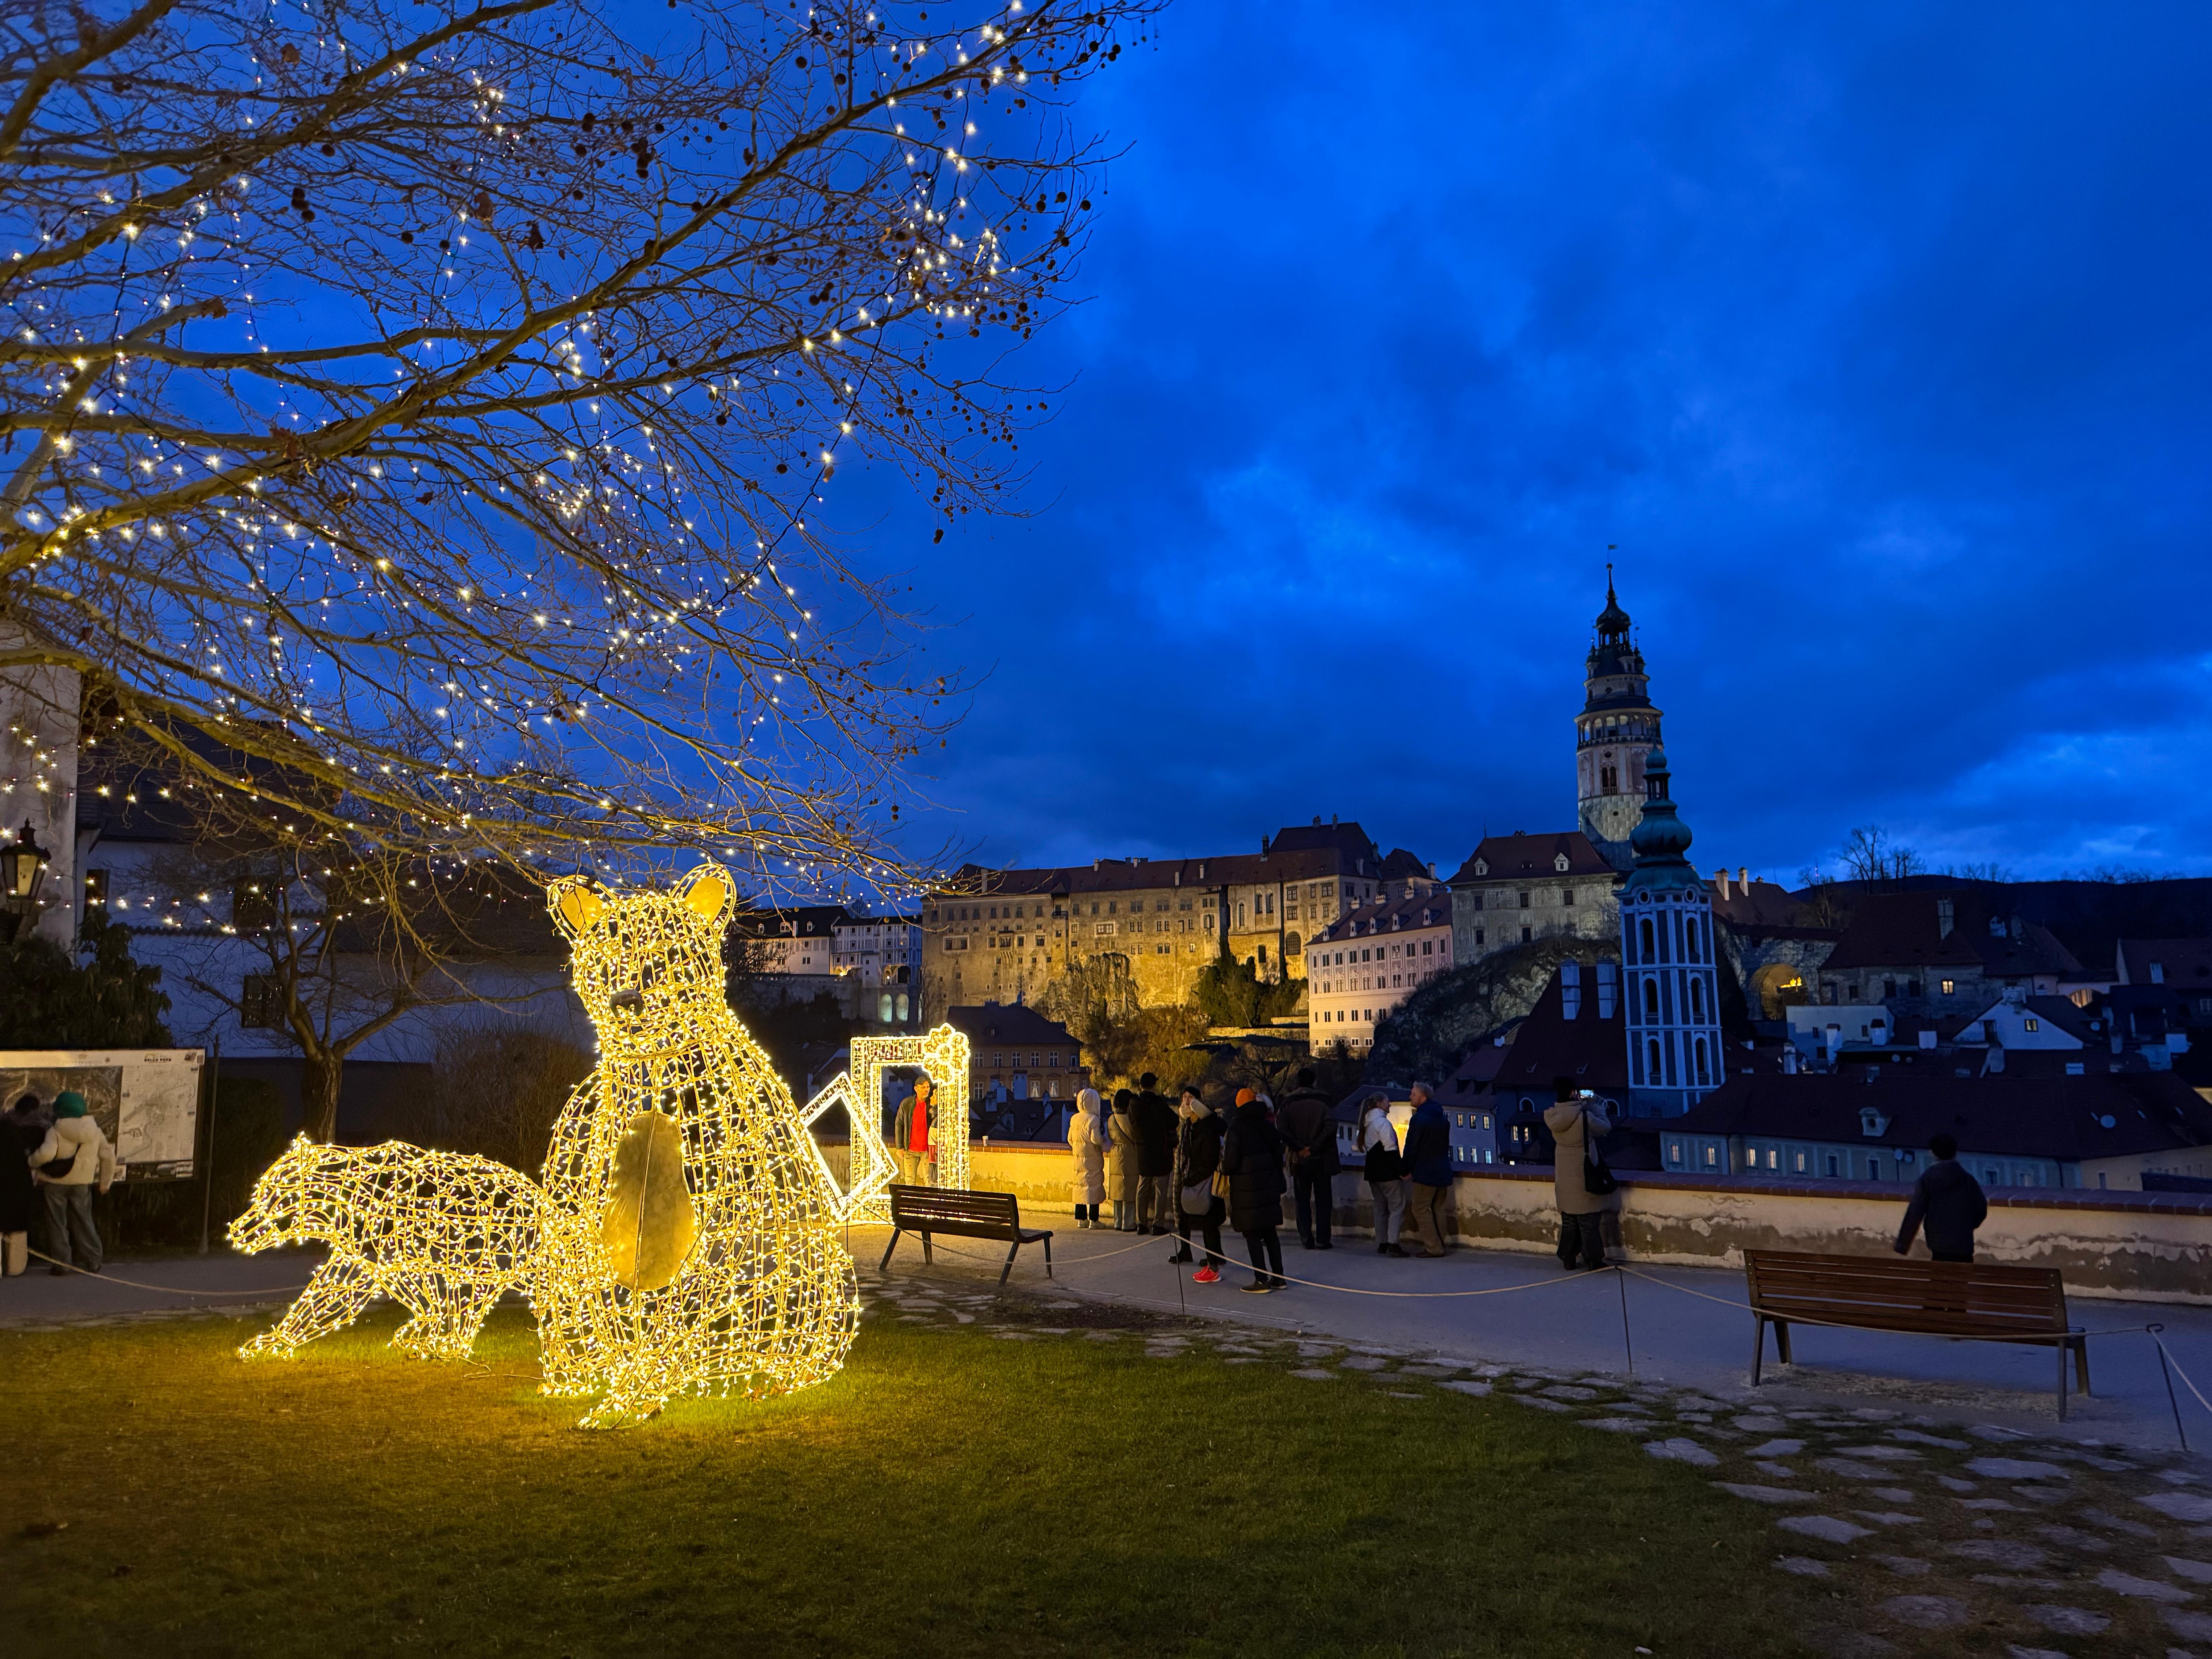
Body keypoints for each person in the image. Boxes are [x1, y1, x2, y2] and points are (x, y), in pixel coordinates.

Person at [29, 1090, 115, 1276]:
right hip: (82, 1183)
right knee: (84, 1221)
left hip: (55, 1184)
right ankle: (93, 1260)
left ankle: (62, 1264)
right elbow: (108, 1157)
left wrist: (31, 1161)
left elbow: (46, 1154)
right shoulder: (95, 1131)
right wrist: (105, 1183)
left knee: (57, 1222)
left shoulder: (56, 1130)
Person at [1543, 1077, 1614, 1271]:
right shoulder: (1584, 1117)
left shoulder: (1553, 1117)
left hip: (1564, 1177)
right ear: (1573, 1093)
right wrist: (1594, 1104)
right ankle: (1593, 1260)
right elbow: (1606, 1127)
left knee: (1569, 1220)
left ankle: (1568, 1258)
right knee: (1588, 1221)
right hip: (1585, 1175)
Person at [1221, 1087, 1287, 1292]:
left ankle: (1261, 1279)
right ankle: (1279, 1278)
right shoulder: (1268, 1126)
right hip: (1269, 1186)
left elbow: (1230, 1164)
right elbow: (1279, 1157)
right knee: (1270, 1233)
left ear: (1239, 1104)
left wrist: (1223, 1165)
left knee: (1252, 1234)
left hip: (1246, 1190)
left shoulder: (1236, 1129)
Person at [1895, 1133, 1989, 1263]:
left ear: (1933, 1153)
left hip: (1939, 1244)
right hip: (1964, 1244)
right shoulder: (1967, 1179)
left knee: (1940, 1279)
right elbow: (1981, 1209)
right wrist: (1966, 1226)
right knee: (1962, 1281)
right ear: (1955, 1153)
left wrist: (1902, 1246)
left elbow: (1915, 1213)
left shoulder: (1928, 1179)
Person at [1277, 1065, 1340, 1250]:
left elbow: (1282, 1130)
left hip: (1299, 1160)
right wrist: (1314, 1148)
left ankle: (1306, 1238)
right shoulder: (1325, 1101)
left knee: (1302, 1200)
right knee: (1323, 1200)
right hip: (1321, 1158)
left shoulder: (1287, 1103)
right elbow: (1331, 1127)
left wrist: (1300, 1148)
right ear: (1314, 1082)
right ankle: (1323, 1239)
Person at [1168, 1087, 1227, 1281]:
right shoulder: (1189, 1126)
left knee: (1209, 1222)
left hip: (1202, 1182)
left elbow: (1207, 1160)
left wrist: (1191, 1179)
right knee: (1194, 1218)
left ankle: (1214, 1263)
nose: (1187, 1103)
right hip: (1191, 1178)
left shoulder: (1206, 1129)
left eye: (1191, 1100)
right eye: (1184, 1098)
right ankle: (1203, 1257)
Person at [1400, 1081, 1453, 1258]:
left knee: (1420, 1209)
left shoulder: (1419, 1119)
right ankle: (1440, 1243)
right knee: (1438, 1207)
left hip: (1426, 1170)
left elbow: (1412, 1147)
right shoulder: (1441, 1117)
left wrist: (1405, 1168)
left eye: (1413, 1094)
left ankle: (1434, 1247)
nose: (1410, 1097)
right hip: (1443, 1168)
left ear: (1422, 1098)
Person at [1, 1092, 49, 1278]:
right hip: (22, 1180)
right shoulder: (41, 1128)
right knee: (19, 1224)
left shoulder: (5, 1125)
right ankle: (16, 1267)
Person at [1358, 1089, 1409, 1257]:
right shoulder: (1383, 1124)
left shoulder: (1367, 1124)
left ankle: (1382, 1242)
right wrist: (1402, 1171)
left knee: (1380, 1209)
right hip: (1387, 1173)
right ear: (1379, 1104)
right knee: (1397, 1207)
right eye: (1387, 1102)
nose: (1390, 1105)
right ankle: (1393, 1244)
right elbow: (1391, 1150)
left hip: (1373, 1173)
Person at [1132, 1072, 1180, 1235]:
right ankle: (1158, 1224)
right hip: (1161, 1151)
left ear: (1141, 1085)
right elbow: (1175, 1120)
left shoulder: (1134, 1104)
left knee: (1143, 1187)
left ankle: (1141, 1223)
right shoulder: (1159, 1104)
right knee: (1161, 1188)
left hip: (1142, 1150)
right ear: (1154, 1086)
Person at [1067, 1087, 1107, 1227]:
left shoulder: (1074, 1118)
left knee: (1080, 1186)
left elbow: (1070, 1140)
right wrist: (1104, 1140)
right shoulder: (1094, 1119)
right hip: (1093, 1158)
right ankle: (1094, 1220)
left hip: (1078, 1158)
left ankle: (1081, 1219)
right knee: (1094, 1187)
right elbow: (1096, 1140)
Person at [891, 1075, 938, 1189]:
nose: (927, 1090)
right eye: (924, 1087)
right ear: (917, 1089)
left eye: (928, 1087)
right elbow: (899, 1123)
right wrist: (900, 1147)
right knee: (910, 1182)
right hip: (910, 1150)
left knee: (929, 1181)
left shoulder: (931, 1104)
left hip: (926, 1150)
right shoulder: (907, 1104)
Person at [1104, 1088, 1141, 1231]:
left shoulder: (1111, 1119)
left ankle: (1118, 1222)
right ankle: (1129, 1223)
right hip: (1131, 1153)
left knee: (1117, 1190)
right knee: (1130, 1189)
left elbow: (1108, 1137)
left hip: (1115, 1154)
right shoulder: (1131, 1119)